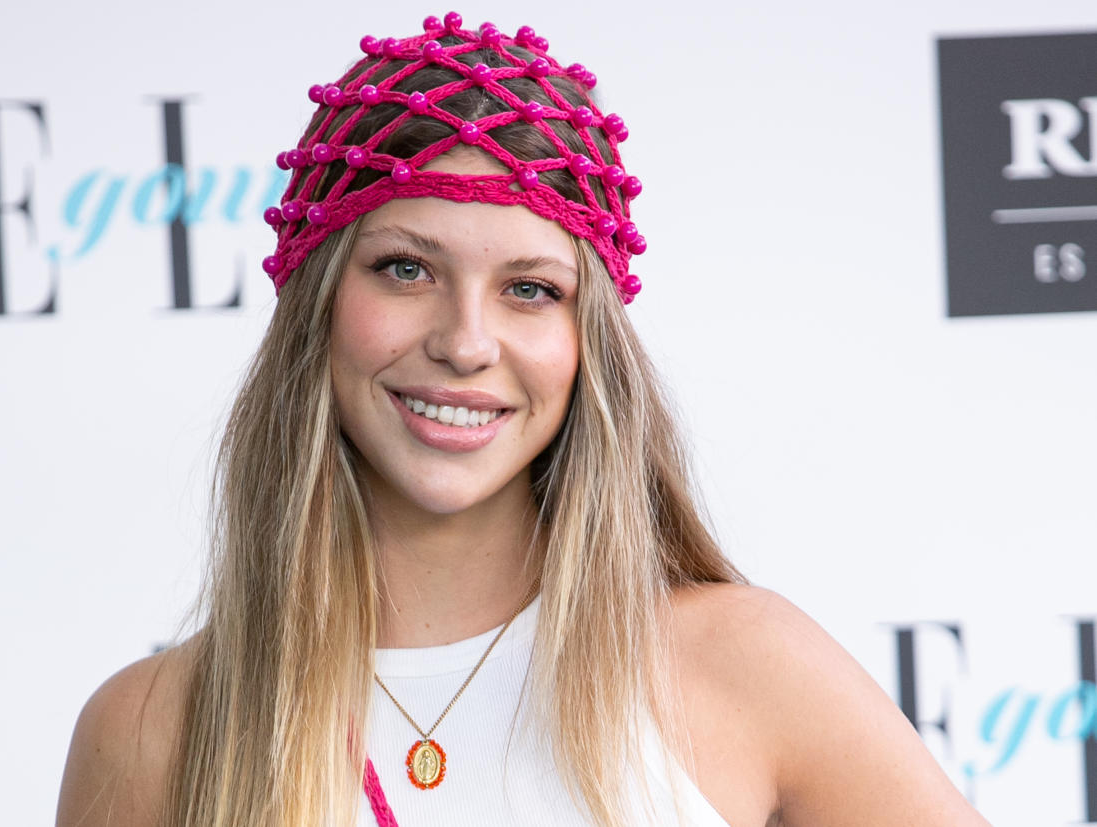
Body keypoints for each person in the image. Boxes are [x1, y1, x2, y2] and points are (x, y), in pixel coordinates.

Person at [56, 12, 989, 827]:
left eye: (531, 289)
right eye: (407, 269)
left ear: (587, 342)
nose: (466, 343)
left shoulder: (743, 665)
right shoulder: (152, 730)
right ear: (318, 300)